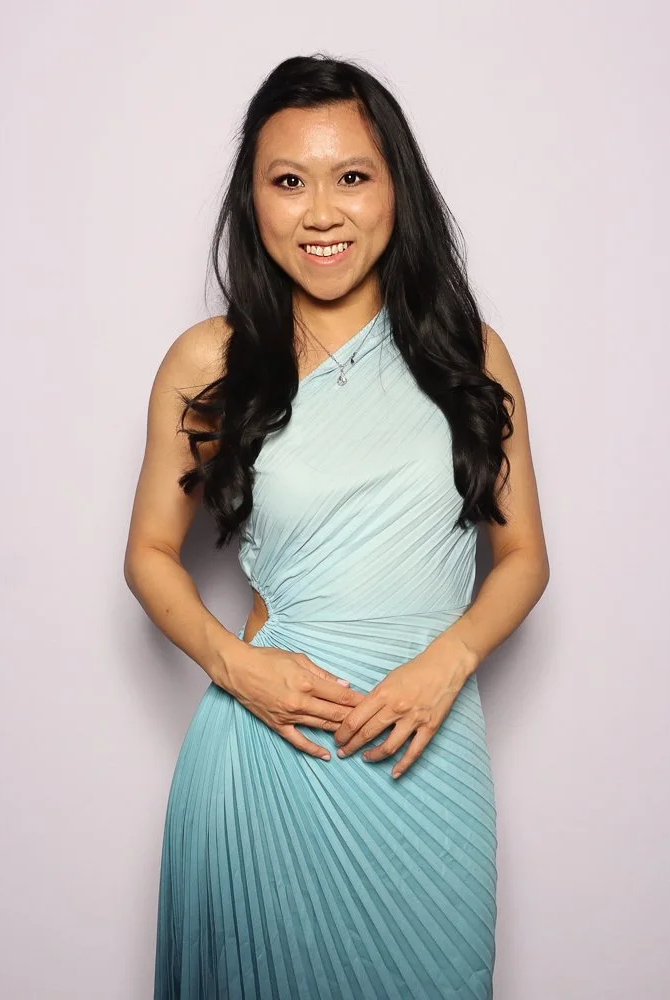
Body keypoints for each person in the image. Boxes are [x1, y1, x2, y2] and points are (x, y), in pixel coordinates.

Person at [124, 53, 550, 999]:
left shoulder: (469, 357)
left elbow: (522, 559)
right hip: (271, 755)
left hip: (424, 755)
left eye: (352, 176)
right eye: (289, 182)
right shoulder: (211, 362)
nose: (322, 213)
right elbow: (150, 555)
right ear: (253, 200)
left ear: (397, 187)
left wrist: (449, 661)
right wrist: (236, 666)